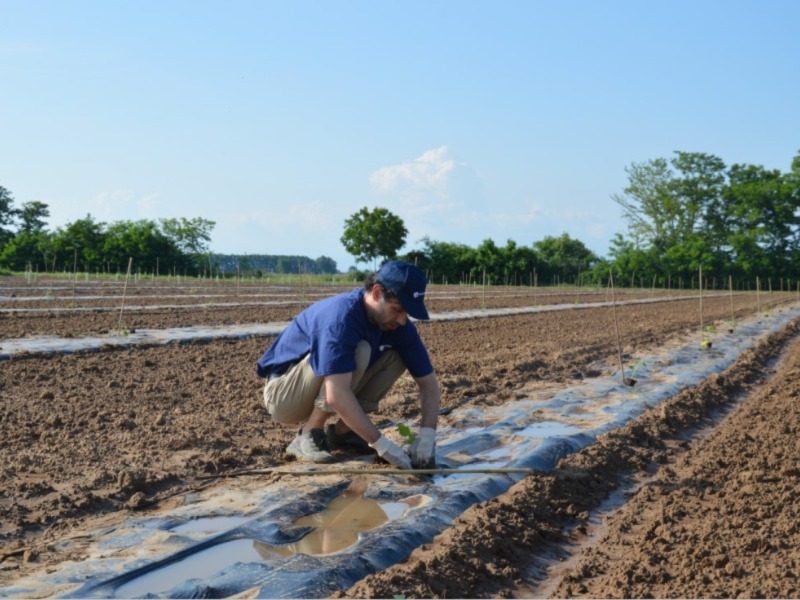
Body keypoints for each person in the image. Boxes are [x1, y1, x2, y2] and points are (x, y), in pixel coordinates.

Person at [256, 260, 441, 469]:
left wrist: (427, 435)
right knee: (359, 350)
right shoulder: (342, 317)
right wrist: (382, 444)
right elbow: (336, 394)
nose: (401, 320)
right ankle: (310, 433)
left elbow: (429, 385)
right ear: (377, 292)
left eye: (406, 313)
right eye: (397, 309)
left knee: (398, 356)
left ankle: (344, 433)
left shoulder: (400, 327)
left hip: (321, 388)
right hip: (284, 395)